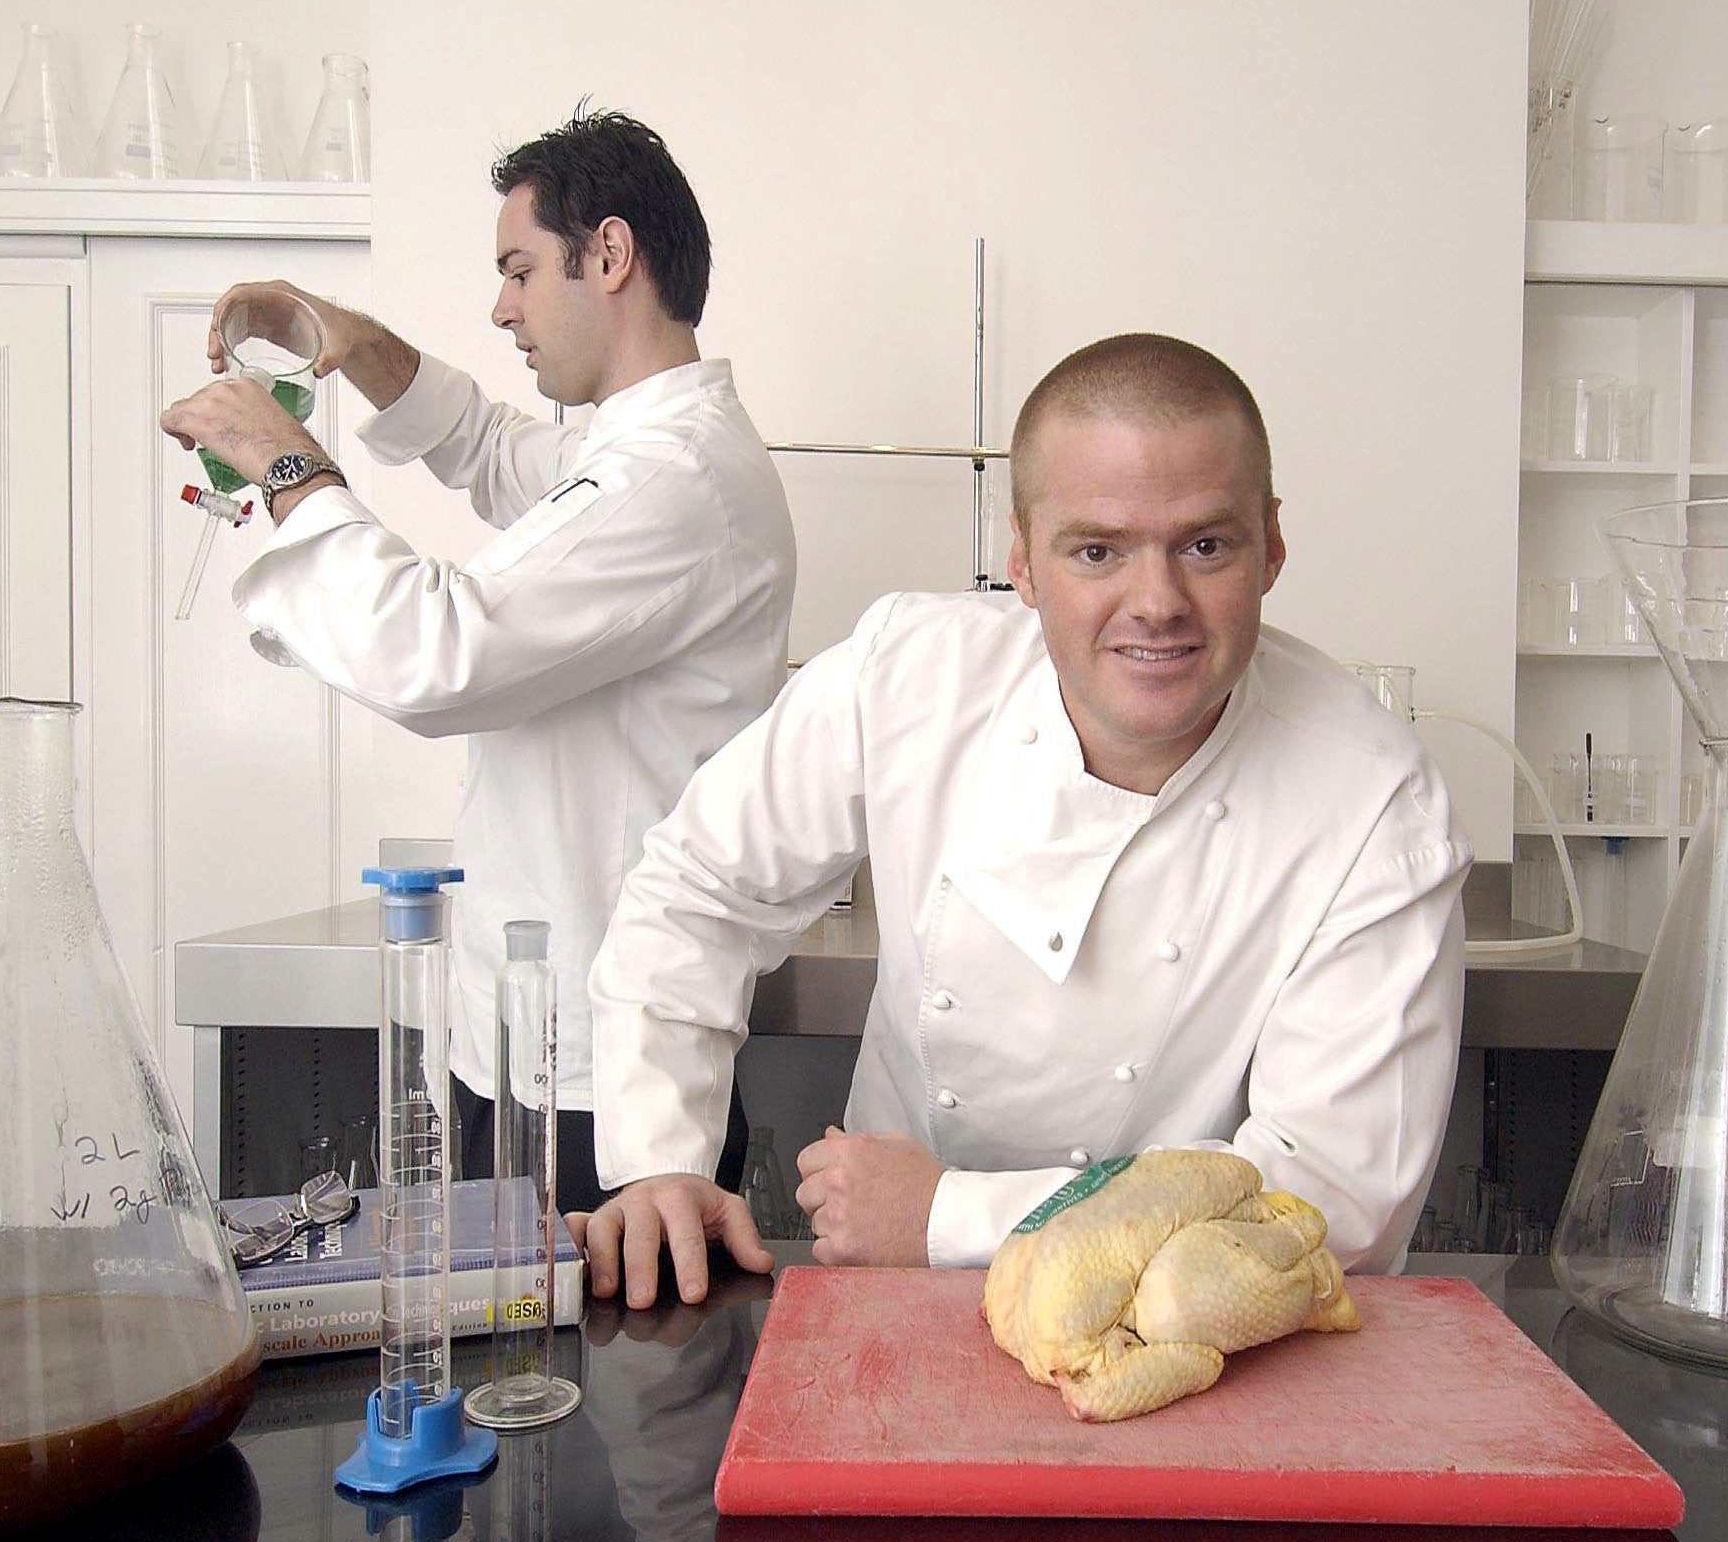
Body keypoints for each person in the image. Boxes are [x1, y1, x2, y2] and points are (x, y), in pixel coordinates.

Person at [571, 332, 1470, 1307]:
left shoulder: (1374, 804)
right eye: (1096, 551)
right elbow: (698, 887)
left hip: (1177, 1331)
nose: (1156, 603)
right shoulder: (909, 674)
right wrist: (658, 1158)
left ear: (1272, 545)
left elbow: (1330, 1207)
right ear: (1024, 562)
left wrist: (947, 1217)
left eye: (1205, 545)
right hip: (889, 1305)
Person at [158, 111, 796, 1210]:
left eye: (519, 270)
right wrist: (352, 340)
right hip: (539, 1047)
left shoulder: (671, 479)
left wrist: (282, 459)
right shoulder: (634, 450)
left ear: (609, 253)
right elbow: (495, 450)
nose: (502, 308)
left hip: (605, 1078)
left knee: (572, 1333)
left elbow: (434, 652)